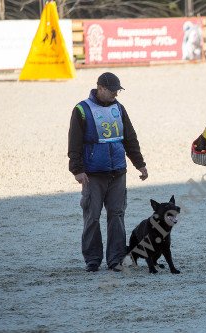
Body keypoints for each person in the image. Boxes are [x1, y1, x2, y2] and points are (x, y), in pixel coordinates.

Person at [68, 72, 148, 272]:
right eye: (112, 91)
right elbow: (74, 142)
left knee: (117, 215)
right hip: (93, 174)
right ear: (100, 88)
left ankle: (115, 260)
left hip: (118, 172)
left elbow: (129, 137)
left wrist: (140, 163)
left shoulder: (119, 108)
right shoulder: (82, 109)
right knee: (92, 217)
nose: (115, 94)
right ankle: (93, 260)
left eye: (117, 91)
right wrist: (77, 170)